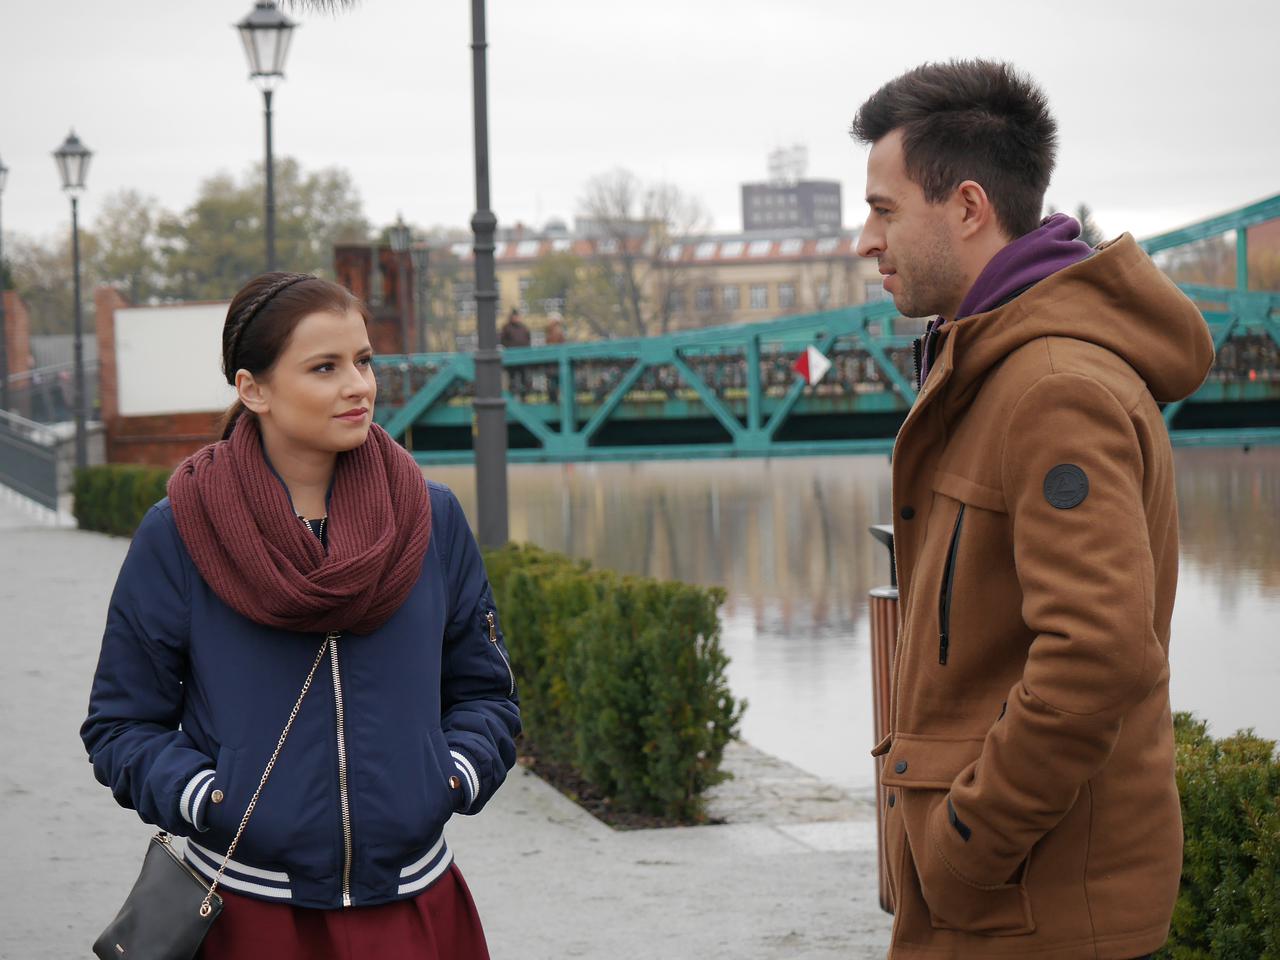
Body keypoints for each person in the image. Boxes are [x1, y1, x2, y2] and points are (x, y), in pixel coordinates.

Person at [850, 61, 1213, 959]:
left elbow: (1096, 653)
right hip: (1012, 907)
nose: (866, 240)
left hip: (1030, 913)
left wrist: (965, 845)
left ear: (969, 207)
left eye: (885, 210)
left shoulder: (1052, 389)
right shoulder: (993, 367)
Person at [81, 272, 520, 959]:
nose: (359, 386)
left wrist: (452, 773)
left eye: (363, 361)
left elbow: (486, 693)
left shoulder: (431, 519)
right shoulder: (181, 532)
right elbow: (121, 724)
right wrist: (207, 797)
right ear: (253, 389)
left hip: (415, 908)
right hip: (248, 914)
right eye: (325, 367)